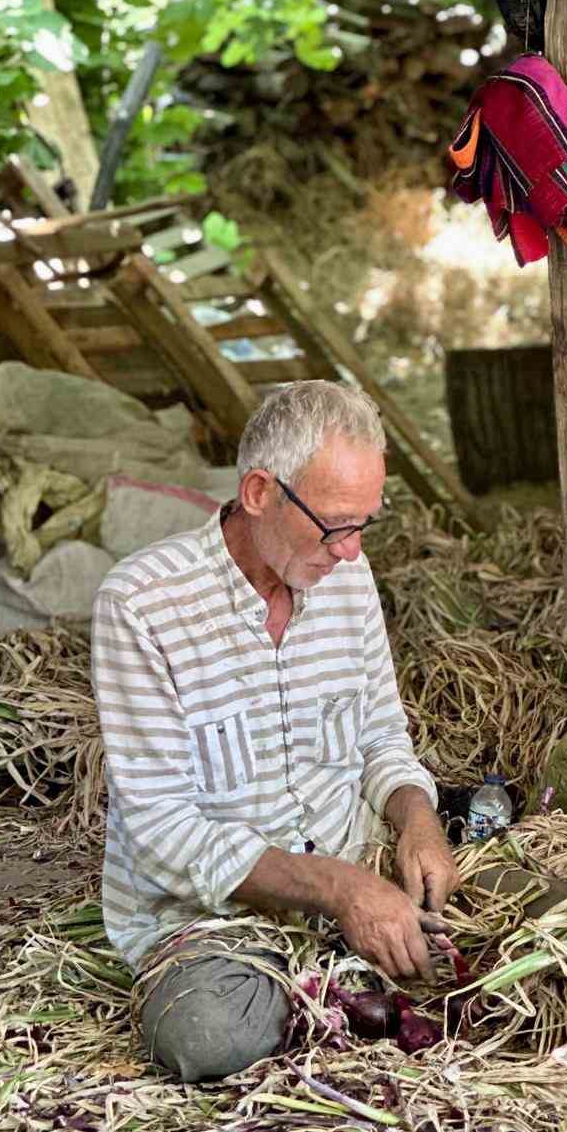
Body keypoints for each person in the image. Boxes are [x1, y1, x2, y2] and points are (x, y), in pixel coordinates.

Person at [91, 380, 459, 1083]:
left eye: (364, 526)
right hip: (216, 918)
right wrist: (339, 890)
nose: (351, 552)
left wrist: (416, 821)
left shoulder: (346, 577)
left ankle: (348, 982)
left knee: (545, 915)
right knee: (209, 1033)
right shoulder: (143, 604)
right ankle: (339, 986)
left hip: (359, 862)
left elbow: (382, 735)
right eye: (335, 526)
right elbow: (161, 826)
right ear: (260, 492)